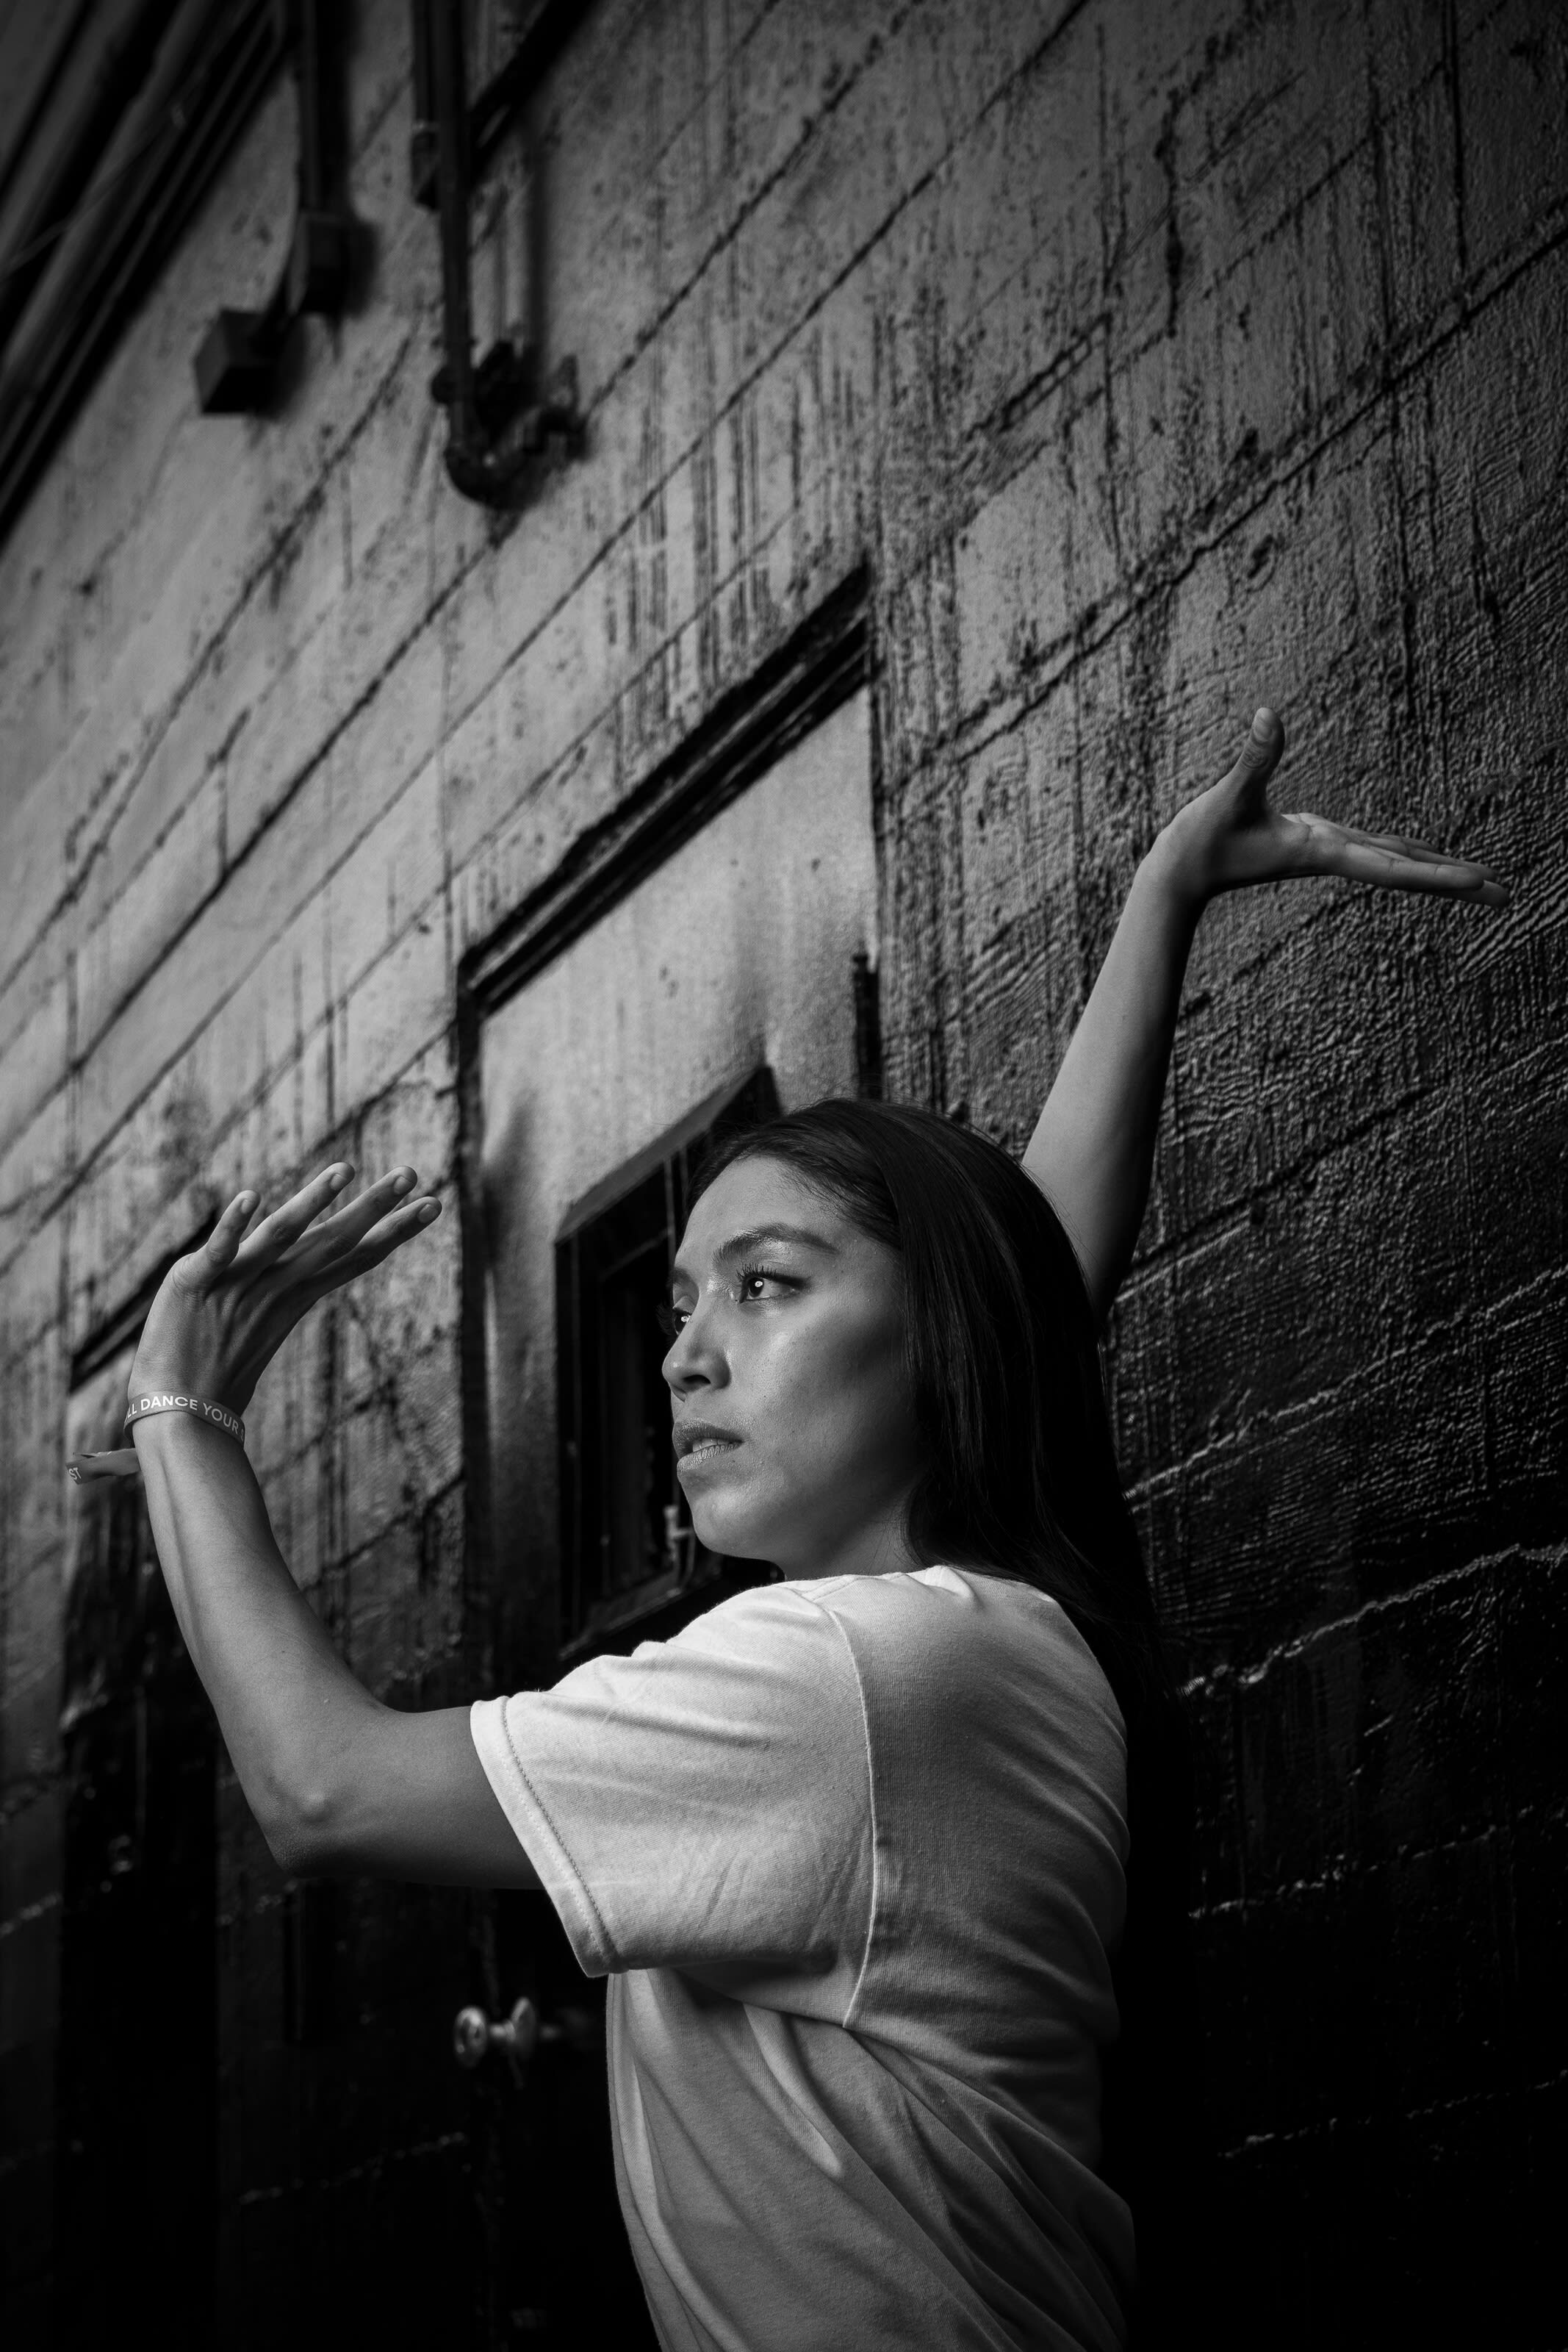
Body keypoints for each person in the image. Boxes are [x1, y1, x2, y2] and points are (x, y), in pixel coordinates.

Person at [89, 709, 1506, 2350]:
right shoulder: (987, 1642)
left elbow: (322, 1788)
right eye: (684, 1301)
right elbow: (1032, 1278)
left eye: (764, 1287)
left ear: (938, 1337)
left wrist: (182, 1408)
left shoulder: (845, 1673)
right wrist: (1160, 897)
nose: (684, 1354)